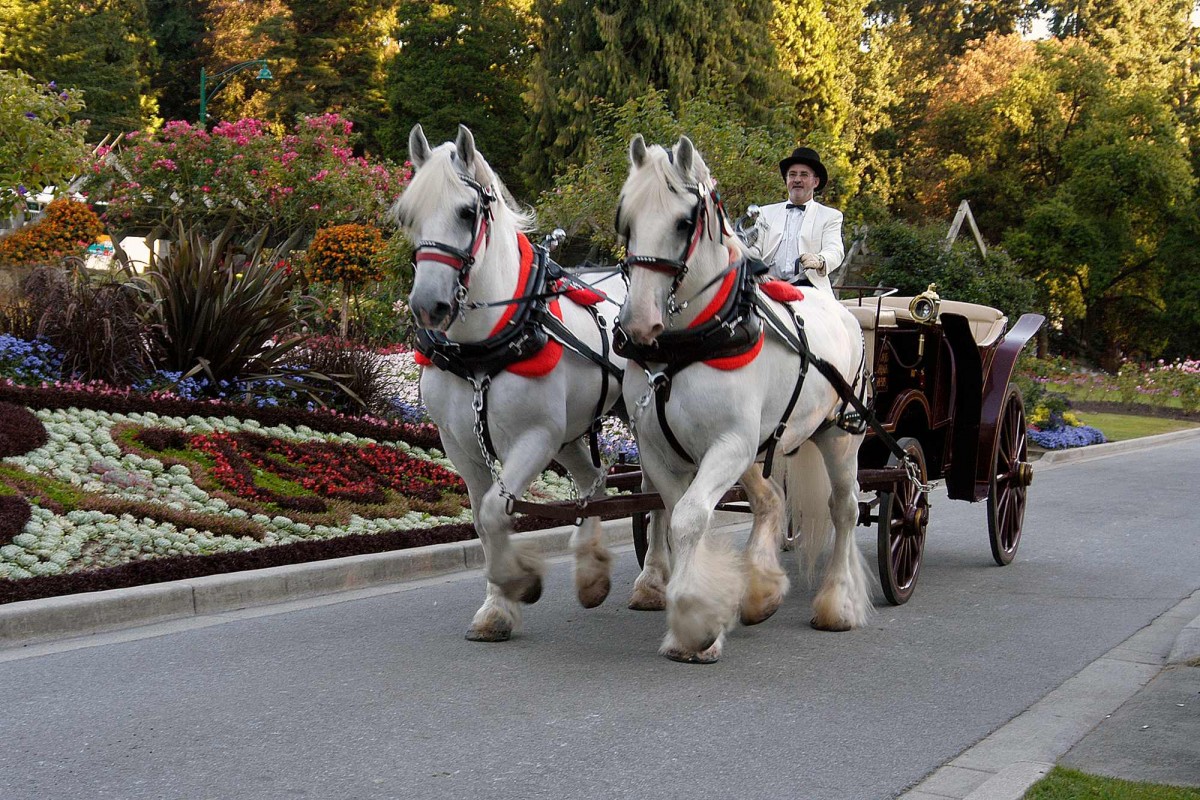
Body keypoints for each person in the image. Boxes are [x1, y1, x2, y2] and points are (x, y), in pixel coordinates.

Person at [748, 146, 844, 293]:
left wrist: (820, 260)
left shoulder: (830, 216)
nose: (797, 179)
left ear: (815, 182)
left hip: (810, 289)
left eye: (804, 175)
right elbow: (756, 249)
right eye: (792, 175)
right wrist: (755, 267)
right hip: (768, 287)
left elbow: (835, 250)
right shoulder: (765, 212)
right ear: (786, 180)